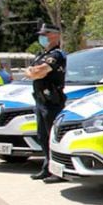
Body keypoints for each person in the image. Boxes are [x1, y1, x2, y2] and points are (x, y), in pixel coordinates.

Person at [26, 23, 67, 181]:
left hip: (52, 101)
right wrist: (33, 72)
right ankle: (47, 168)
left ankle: (58, 171)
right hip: (40, 100)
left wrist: (34, 72)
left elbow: (38, 71)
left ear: (55, 36)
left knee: (52, 137)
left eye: (46, 34)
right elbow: (31, 71)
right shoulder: (41, 55)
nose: (42, 37)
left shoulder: (56, 55)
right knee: (42, 136)